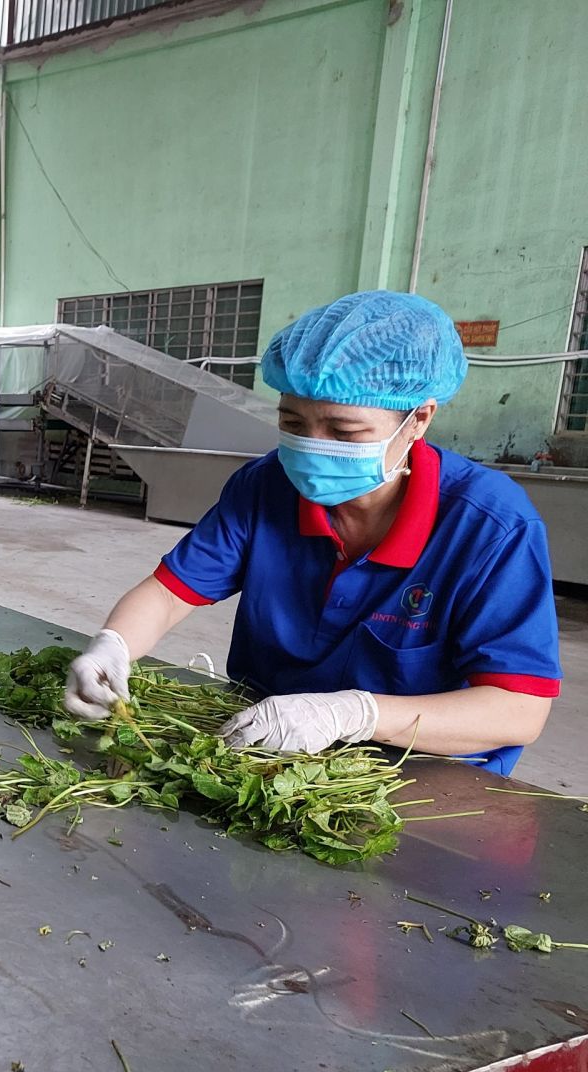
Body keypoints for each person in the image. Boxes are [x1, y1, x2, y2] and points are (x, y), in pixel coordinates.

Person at [63, 290, 559, 774]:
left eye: (344, 432)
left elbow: (518, 709)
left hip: (417, 772)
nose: (310, 448)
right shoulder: (265, 486)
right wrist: (114, 645)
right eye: (292, 421)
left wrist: (352, 714)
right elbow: (171, 594)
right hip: (267, 742)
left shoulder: (489, 526)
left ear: (418, 420)